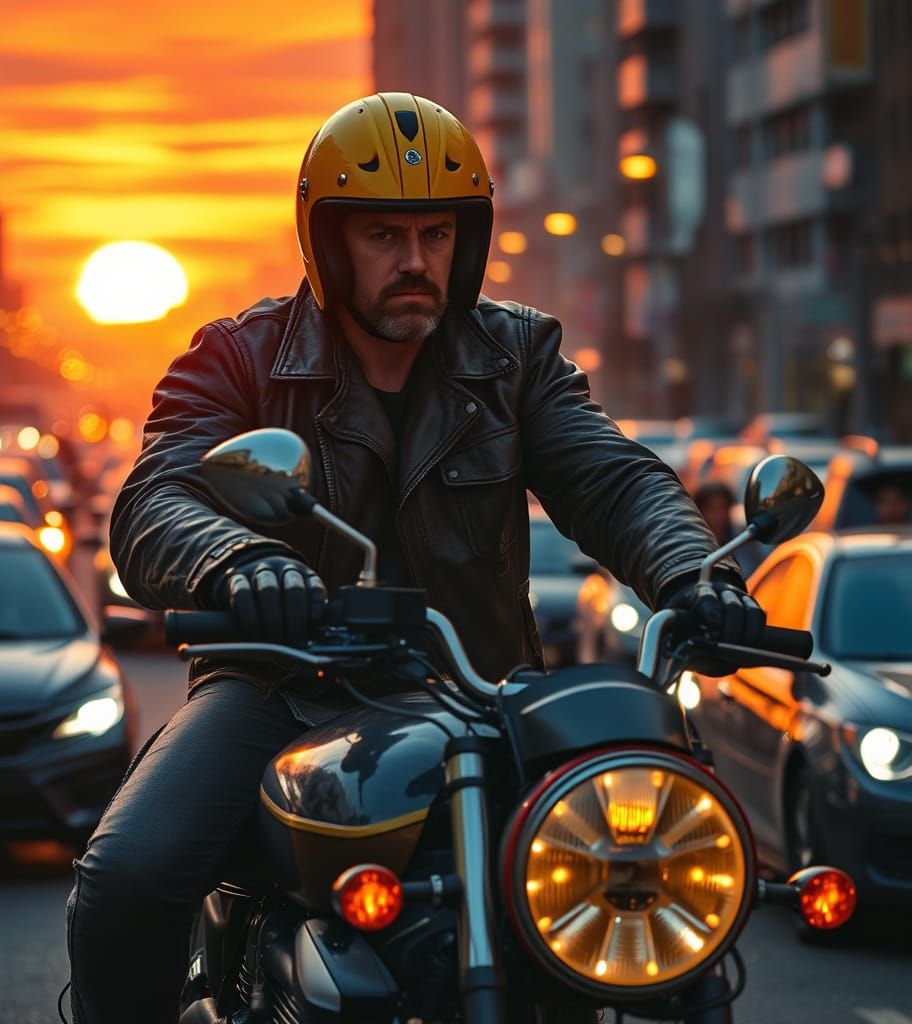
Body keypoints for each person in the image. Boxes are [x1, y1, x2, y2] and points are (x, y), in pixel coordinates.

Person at [65, 93, 765, 1023]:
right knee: (129, 874)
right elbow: (158, 496)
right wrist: (238, 563)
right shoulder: (240, 357)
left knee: (661, 875)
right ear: (328, 243)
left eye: (437, 234)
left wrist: (695, 573)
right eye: (385, 235)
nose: (414, 262)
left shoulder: (516, 355)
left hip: (484, 695)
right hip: (283, 690)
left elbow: (612, 477)